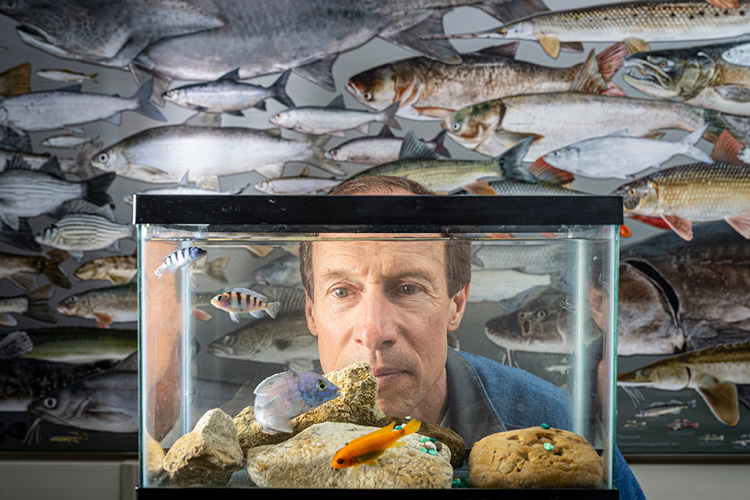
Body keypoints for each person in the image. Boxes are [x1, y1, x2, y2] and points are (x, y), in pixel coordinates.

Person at [300, 175, 645, 499]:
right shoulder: (266, 430)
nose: (373, 333)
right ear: (312, 312)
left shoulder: (557, 421)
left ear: (456, 305)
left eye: (408, 288)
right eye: (342, 292)